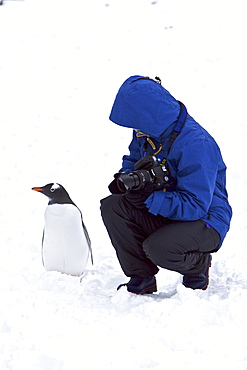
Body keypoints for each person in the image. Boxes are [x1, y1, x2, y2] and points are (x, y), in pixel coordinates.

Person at [100, 75, 232, 294]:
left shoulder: (196, 144)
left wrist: (150, 198)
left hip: (205, 220)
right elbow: (132, 160)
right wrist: (131, 180)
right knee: (114, 206)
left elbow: (196, 205)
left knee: (159, 248)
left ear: (149, 116)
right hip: (168, 208)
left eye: (137, 123)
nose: (135, 131)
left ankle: (197, 267)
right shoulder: (148, 130)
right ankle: (142, 278)